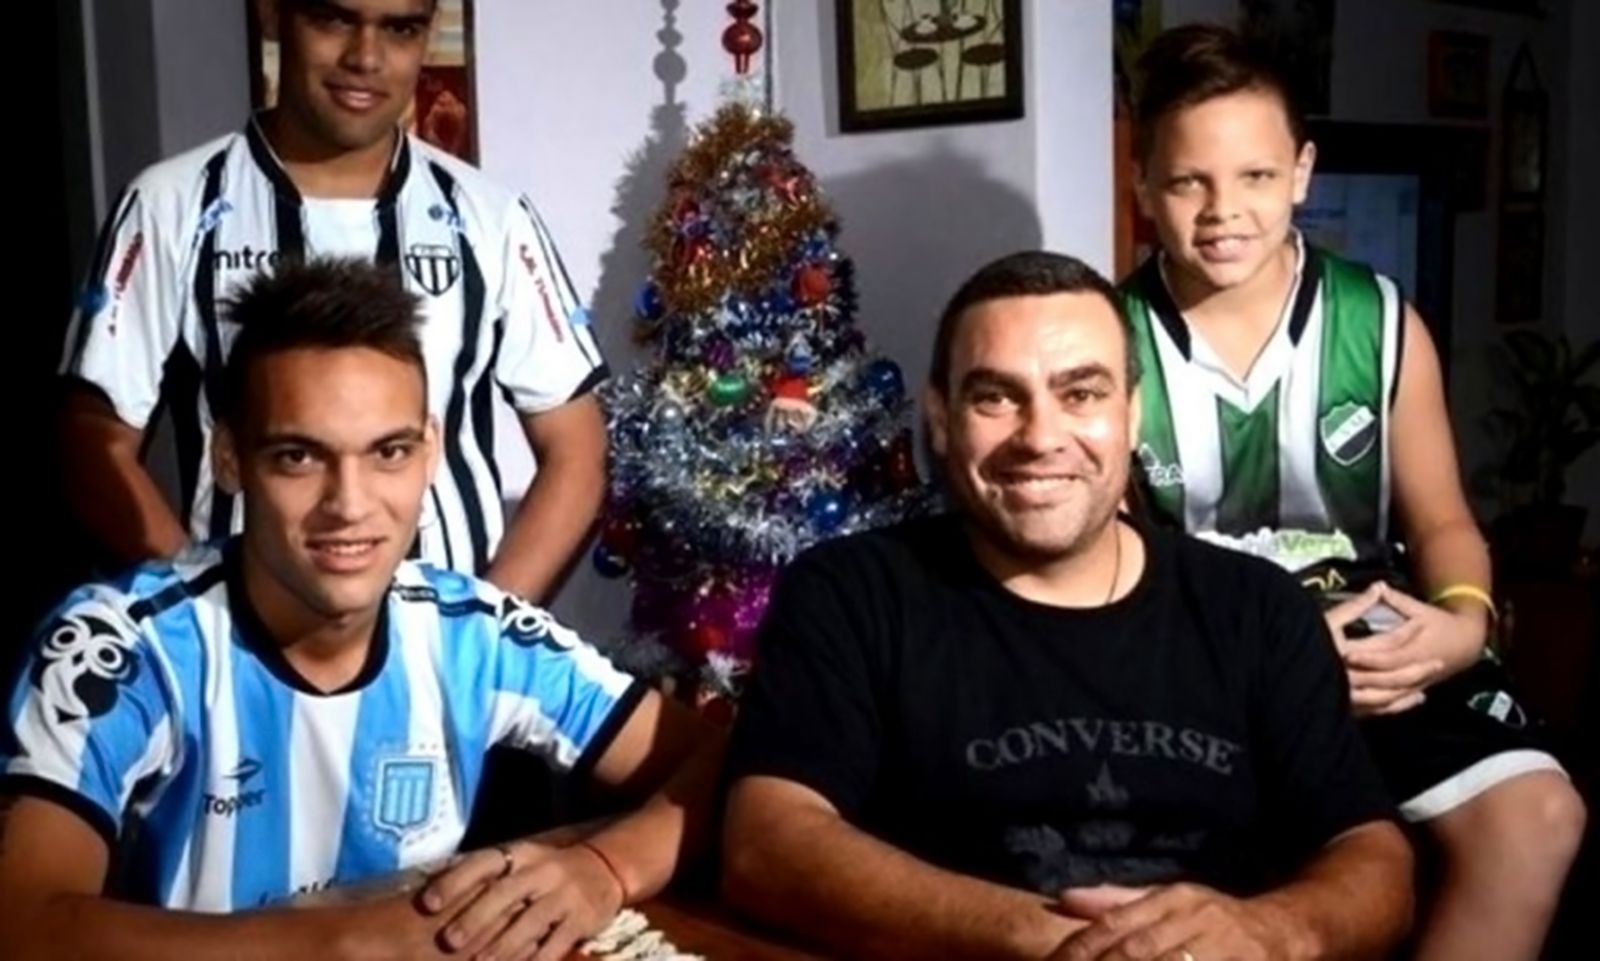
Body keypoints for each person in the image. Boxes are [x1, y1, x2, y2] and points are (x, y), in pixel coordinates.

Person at [2, 259, 720, 961]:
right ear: (229, 457)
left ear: (429, 450)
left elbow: (734, 764)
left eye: (389, 451)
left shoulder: (476, 634)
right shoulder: (120, 646)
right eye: (298, 456)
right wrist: (346, 940)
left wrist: (604, 867)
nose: (350, 505)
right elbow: (21, 926)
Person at [722, 251, 1413, 960]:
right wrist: (1055, 941)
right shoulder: (852, 593)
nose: (1041, 437)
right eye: (996, 396)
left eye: (1080, 394)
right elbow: (766, 841)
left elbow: (1371, 854)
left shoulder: (1257, 607)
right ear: (939, 416)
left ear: (1134, 413)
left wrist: (1274, 931)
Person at [1121, 24, 1584, 960]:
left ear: (1301, 171)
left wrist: (1458, 623)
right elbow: (1109, 568)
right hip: (1209, 663)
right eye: (1188, 181)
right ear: (1142, 190)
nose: (1224, 210)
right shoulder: (1107, 340)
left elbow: (1446, 522)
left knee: (1539, 813)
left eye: (1254, 176)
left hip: (1374, 649)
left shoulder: (1379, 320)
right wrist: (1275, 656)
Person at [58, 0, 605, 600]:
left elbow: (576, 448)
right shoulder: (171, 206)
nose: (365, 58)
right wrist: (202, 611)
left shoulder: (492, 218)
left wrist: (485, 634)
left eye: (400, 28)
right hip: (247, 662)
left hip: (448, 668)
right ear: (273, 15)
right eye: (334, 18)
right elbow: (93, 437)